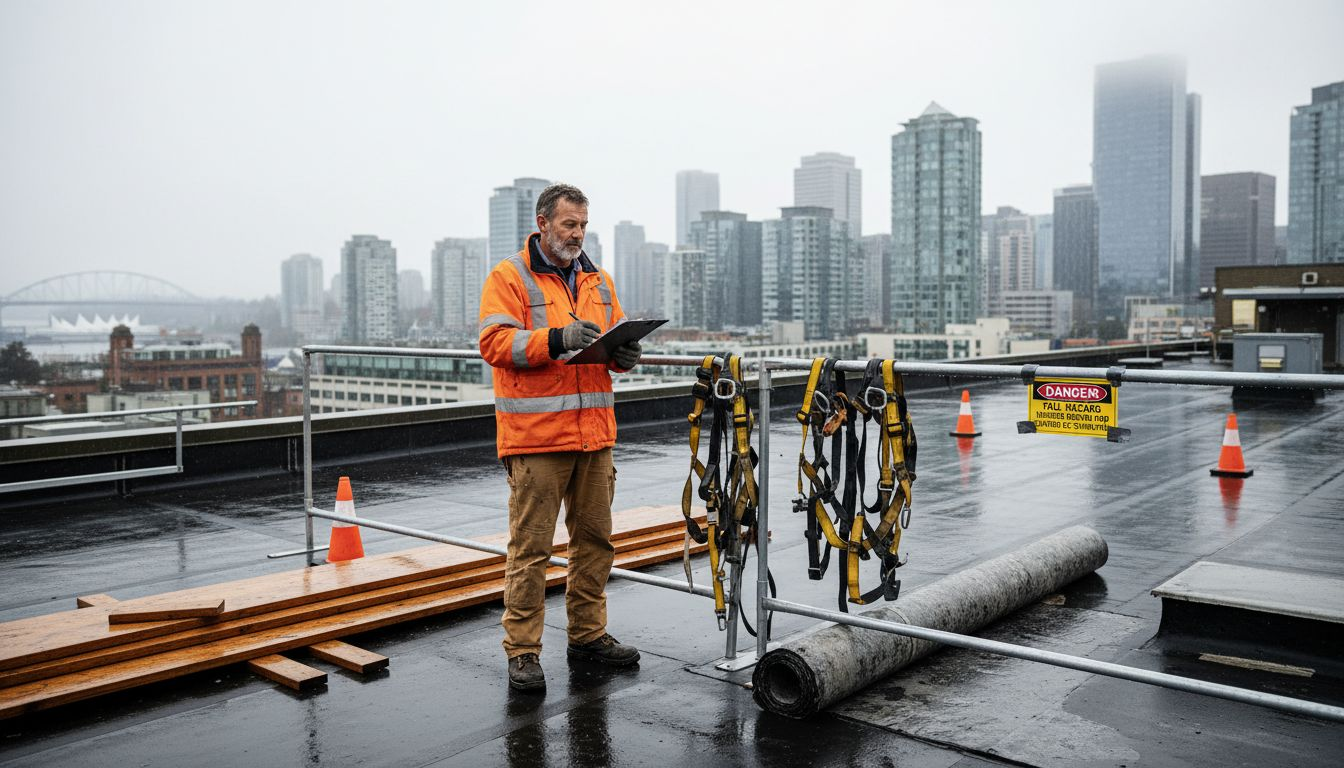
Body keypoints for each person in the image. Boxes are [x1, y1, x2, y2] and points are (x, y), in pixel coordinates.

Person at [478, 183, 644, 692]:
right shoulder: (509, 276)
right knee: (530, 550)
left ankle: (587, 635)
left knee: (594, 542)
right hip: (538, 440)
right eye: (569, 224)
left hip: (594, 437)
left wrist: (625, 355)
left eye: (583, 225)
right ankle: (523, 651)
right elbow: (494, 342)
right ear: (543, 222)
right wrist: (555, 339)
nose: (577, 234)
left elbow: (614, 336)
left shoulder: (598, 281)